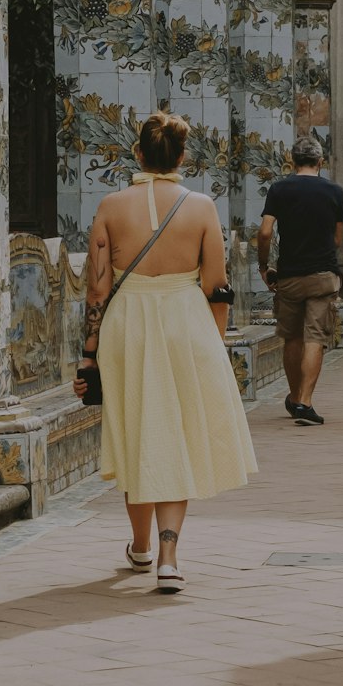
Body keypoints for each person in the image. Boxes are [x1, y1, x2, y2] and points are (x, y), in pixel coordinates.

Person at [73, 112, 257, 594]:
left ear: (137, 154)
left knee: (139, 429)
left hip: (127, 323)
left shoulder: (111, 207)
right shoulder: (201, 207)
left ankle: (140, 546)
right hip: (186, 322)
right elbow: (217, 287)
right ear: (181, 157)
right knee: (174, 431)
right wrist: (214, 345)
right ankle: (169, 558)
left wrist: (88, 355)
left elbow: (96, 292)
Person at [256, 136, 343, 425]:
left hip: (290, 275)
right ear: (321, 162)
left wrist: (263, 265)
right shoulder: (334, 191)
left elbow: (266, 232)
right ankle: (306, 403)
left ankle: (295, 398)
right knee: (315, 337)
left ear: (291, 161)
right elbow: (337, 238)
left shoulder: (280, 189)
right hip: (323, 275)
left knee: (292, 337)